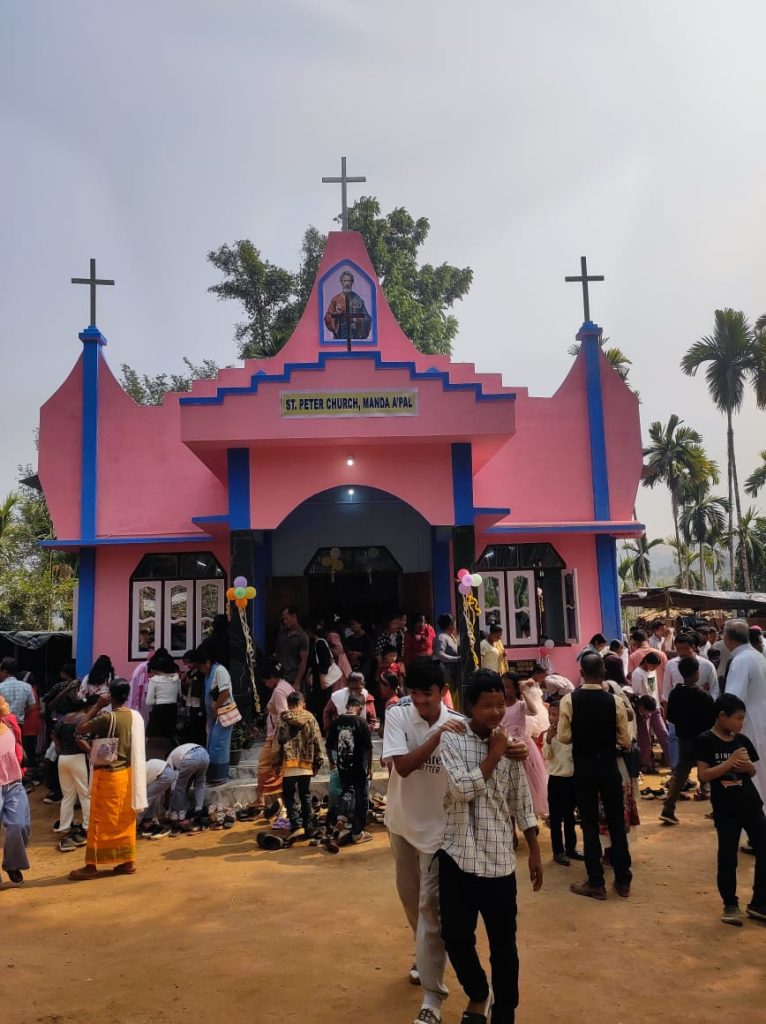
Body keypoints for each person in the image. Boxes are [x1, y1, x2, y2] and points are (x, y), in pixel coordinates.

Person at [438, 669, 543, 1024]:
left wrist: (534, 849)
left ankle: (505, 1009)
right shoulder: (453, 739)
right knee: (455, 937)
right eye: (487, 705)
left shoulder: (510, 745)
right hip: (457, 856)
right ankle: (478, 992)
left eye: (500, 704)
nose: (496, 712)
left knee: (504, 945)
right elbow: (460, 790)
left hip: (499, 858)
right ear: (470, 706)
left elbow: (521, 799)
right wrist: (494, 755)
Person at [558, 652, 633, 900]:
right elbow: (625, 740)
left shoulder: (569, 700)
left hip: (584, 767)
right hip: (609, 766)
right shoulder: (615, 702)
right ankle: (623, 879)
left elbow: (564, 737)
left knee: (589, 823)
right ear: (603, 673)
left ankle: (596, 881)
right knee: (616, 822)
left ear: (581, 673)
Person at [695, 694, 766, 925]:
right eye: (738, 718)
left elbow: (752, 771)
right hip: (726, 808)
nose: (741, 723)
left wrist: (746, 766)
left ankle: (760, 902)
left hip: (751, 804)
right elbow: (704, 775)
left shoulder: (742, 740)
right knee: (727, 856)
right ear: (722, 716)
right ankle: (730, 904)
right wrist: (729, 762)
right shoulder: (706, 740)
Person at [69, 678, 147, 881]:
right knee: (124, 819)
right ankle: (127, 861)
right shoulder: (134, 716)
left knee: (98, 821)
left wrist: (97, 706)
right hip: (127, 775)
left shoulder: (106, 718)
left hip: (107, 776)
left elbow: (80, 728)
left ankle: (91, 865)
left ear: (110, 695)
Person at [658, 657, 716, 826]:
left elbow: (671, 717)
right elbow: (712, 720)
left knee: (680, 774)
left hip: (684, 739)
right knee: (711, 772)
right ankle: (717, 807)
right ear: (696, 673)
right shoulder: (703, 696)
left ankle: (668, 809)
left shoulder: (675, 694)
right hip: (703, 739)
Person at [723, 619, 766, 800]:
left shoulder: (741, 660)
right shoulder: (757, 656)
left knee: (752, 771)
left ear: (727, 639)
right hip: (760, 719)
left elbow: (733, 700)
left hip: (748, 724)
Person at [273, 691, 324, 840]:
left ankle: (296, 825)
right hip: (306, 764)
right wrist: (318, 762)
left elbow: (277, 744)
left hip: (289, 764)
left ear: (288, 705)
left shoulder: (282, 720)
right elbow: (317, 740)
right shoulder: (311, 718)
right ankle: (308, 826)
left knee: (289, 795)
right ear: (302, 703)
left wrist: (276, 764)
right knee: (305, 794)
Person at [326, 692, 373, 844]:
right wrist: (370, 767)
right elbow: (368, 748)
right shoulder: (361, 722)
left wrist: (331, 762)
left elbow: (328, 745)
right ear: (361, 707)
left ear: (347, 706)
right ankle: (357, 833)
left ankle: (341, 817)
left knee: (347, 790)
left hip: (342, 765)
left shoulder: (337, 721)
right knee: (361, 798)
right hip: (358, 767)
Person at [500, 672, 549, 817]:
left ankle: (528, 815)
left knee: (526, 783)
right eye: (502, 686)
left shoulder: (520, 705)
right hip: (504, 747)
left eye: (507, 687)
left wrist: (524, 693)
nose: (504, 690)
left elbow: (533, 711)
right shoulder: (499, 706)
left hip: (521, 746)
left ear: (515, 688)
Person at [543, 703, 584, 866]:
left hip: (571, 779)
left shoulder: (572, 733)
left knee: (570, 817)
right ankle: (558, 851)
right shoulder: (548, 734)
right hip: (555, 780)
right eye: (550, 714)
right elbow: (547, 755)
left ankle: (571, 848)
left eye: (556, 715)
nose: (552, 718)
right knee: (555, 818)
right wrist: (548, 739)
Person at [255, 660, 294, 816]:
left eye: (265, 681)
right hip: (279, 736)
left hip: (276, 737)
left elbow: (283, 715)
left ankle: (272, 801)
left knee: (265, 767)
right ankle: (265, 799)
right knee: (274, 768)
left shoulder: (279, 691)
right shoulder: (286, 686)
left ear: (271, 677)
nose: (265, 684)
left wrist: (278, 740)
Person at [0, 694, 31, 886]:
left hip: (14, 783)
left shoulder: (10, 721)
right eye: (3, 701)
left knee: (20, 825)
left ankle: (13, 863)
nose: (7, 703)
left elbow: (18, 744)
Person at [52, 705, 91, 852]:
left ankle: (64, 829)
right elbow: (79, 739)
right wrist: (90, 751)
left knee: (68, 796)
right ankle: (87, 828)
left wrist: (58, 746)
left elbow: (53, 734)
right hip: (78, 758)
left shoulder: (64, 719)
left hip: (63, 758)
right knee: (85, 794)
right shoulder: (84, 718)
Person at [195, 648, 235, 785]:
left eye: (200, 667)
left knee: (219, 744)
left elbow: (225, 692)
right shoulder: (208, 674)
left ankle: (219, 776)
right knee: (211, 744)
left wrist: (216, 707)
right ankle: (212, 775)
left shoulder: (220, 671)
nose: (200, 670)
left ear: (207, 662)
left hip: (222, 713)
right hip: (213, 715)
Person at [631, 650, 671, 773]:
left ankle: (671, 759)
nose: (654, 668)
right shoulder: (637, 674)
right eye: (653, 665)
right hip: (644, 710)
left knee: (663, 733)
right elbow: (636, 694)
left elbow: (654, 689)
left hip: (655, 707)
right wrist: (642, 712)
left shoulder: (652, 671)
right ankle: (646, 764)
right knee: (645, 739)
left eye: (656, 666)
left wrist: (659, 703)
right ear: (646, 662)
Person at [663, 633, 719, 701]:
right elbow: (666, 693)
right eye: (679, 649)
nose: (682, 652)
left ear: (693, 647)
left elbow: (714, 690)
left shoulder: (707, 665)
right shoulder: (670, 665)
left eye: (685, 648)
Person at [167, 741, 210, 828]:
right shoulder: (179, 751)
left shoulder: (169, 759)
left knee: (180, 786)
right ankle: (198, 810)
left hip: (190, 757)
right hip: (204, 754)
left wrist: (167, 799)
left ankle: (179, 814)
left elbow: (168, 781)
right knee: (200, 783)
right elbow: (190, 777)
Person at [145, 651, 181, 747]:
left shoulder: (154, 680)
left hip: (159, 711)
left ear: (154, 670)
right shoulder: (177, 679)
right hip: (172, 710)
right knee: (168, 738)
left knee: (156, 740)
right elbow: (178, 695)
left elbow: (148, 701)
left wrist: (159, 699)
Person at [324, 268, 372, 340]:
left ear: (352, 282)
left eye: (349, 281)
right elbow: (327, 319)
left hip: (354, 339)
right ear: (341, 282)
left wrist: (359, 320)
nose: (347, 283)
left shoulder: (357, 299)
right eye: (345, 281)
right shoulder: (335, 300)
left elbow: (367, 319)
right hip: (339, 339)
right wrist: (336, 313)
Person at [275, 607, 310, 693]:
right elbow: (278, 653)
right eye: (283, 620)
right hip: (281, 675)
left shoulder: (302, 637)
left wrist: (297, 682)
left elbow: (303, 661)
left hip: (294, 677)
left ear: (294, 616)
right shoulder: (282, 633)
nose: (284, 622)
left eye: (286, 619)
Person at [139, 758, 176, 839]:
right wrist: (166, 799)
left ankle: (137, 824)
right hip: (167, 773)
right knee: (152, 799)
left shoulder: (139, 775)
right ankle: (153, 823)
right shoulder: (144, 768)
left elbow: (142, 801)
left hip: (164, 775)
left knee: (145, 800)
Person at [0, 659, 35, 727]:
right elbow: (32, 707)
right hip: (18, 725)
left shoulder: (0, 687)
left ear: (5, 672)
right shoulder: (27, 687)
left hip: (3, 725)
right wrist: (21, 713)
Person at [434, 614, 460, 692]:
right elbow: (440, 655)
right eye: (454, 624)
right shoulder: (442, 637)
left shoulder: (451, 637)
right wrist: (457, 659)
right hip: (446, 676)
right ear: (450, 626)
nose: (455, 626)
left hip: (454, 676)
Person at [346, 618, 375, 684]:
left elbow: (371, 652)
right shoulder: (350, 639)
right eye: (350, 625)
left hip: (364, 666)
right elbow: (346, 650)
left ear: (360, 624)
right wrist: (350, 653)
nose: (351, 626)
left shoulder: (368, 638)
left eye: (353, 624)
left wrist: (359, 654)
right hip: (352, 666)